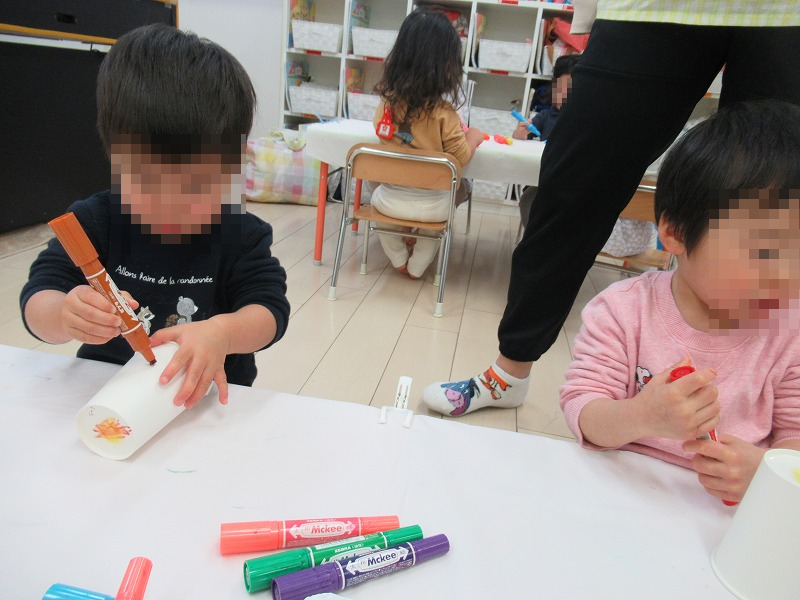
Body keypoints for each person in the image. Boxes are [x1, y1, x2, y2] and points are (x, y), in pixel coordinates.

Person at [423, 3, 800, 417]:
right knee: (571, 184)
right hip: (659, 9)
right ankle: (509, 372)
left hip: (787, 15)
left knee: (784, 205)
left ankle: (757, 411)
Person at [20, 24, 290, 409]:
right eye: (151, 185)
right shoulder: (94, 221)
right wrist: (65, 315)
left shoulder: (241, 233)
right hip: (107, 395)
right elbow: (39, 297)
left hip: (206, 401)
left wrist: (223, 332)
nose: (177, 205)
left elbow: (269, 310)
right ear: (116, 160)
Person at [560, 102, 800, 504]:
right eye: (764, 250)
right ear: (675, 233)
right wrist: (642, 415)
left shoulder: (789, 333)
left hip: (722, 513)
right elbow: (583, 411)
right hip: (620, 492)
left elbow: (794, 435)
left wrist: (765, 471)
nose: (786, 275)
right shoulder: (624, 311)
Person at [370, 9, 483, 280]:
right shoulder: (445, 114)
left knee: (377, 202)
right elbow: (460, 157)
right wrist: (474, 137)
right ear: (448, 66)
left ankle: (398, 257)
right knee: (453, 197)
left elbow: (384, 137)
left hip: (388, 201)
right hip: (434, 207)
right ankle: (418, 265)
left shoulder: (386, 106)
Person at [513, 54, 580, 226]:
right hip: (541, 182)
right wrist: (520, 133)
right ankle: (532, 237)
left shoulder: (582, 121)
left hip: (570, 184)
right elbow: (520, 137)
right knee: (528, 200)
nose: (563, 95)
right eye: (559, 89)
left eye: (569, 91)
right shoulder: (546, 116)